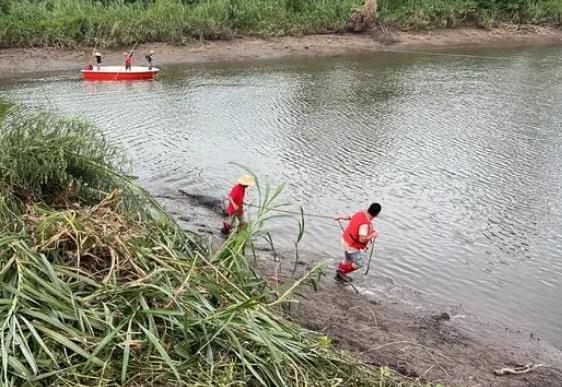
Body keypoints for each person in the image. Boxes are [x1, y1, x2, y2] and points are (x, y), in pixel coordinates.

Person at [334, 202, 381, 283]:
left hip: (345, 240)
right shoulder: (365, 225)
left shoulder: (359, 213)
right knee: (359, 264)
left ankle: (339, 274)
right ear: (377, 214)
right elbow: (362, 239)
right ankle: (341, 273)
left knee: (347, 259)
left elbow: (349, 216)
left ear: (368, 208)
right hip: (352, 246)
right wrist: (373, 235)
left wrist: (339, 217)